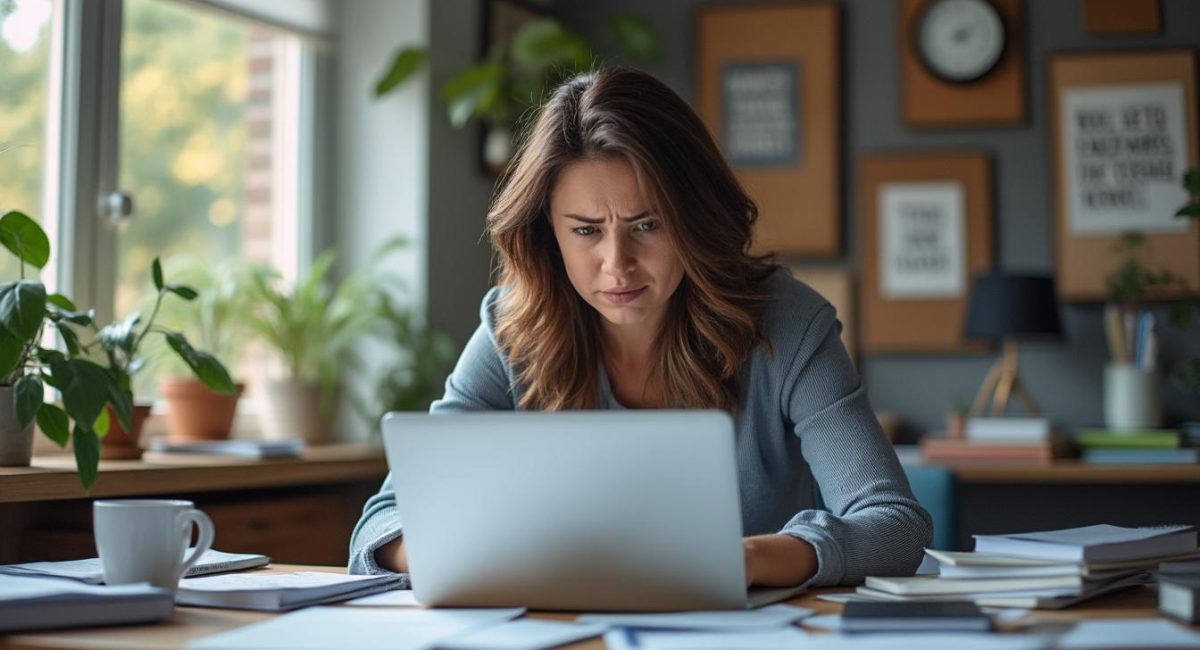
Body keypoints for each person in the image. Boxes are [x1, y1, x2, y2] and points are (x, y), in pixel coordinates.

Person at [349, 67, 932, 590]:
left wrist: (745, 559)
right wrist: (466, 551)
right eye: (585, 230)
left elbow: (895, 525)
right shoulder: (512, 327)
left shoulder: (788, 323)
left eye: (646, 224)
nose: (616, 263)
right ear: (547, 232)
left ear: (694, 218)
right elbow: (382, 525)